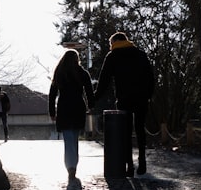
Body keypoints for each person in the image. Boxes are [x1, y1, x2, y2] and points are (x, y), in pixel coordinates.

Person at [94, 32, 155, 176]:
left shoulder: (113, 56)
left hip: (124, 99)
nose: (110, 47)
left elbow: (104, 81)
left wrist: (93, 98)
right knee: (140, 129)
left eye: (111, 44)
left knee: (125, 132)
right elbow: (150, 76)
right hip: (141, 98)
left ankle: (129, 166)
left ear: (114, 41)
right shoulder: (140, 54)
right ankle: (142, 162)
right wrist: (148, 95)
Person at [48, 49, 95, 180]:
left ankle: (70, 167)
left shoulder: (59, 73)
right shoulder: (82, 73)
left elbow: (52, 95)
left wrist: (52, 112)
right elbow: (89, 92)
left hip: (64, 108)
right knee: (74, 139)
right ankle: (73, 166)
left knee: (68, 140)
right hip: (78, 107)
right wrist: (91, 106)